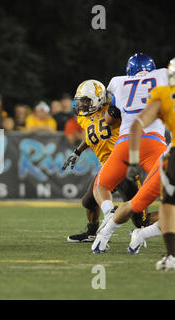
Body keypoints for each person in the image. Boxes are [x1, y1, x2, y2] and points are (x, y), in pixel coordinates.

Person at [95, 59, 175, 269]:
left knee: (107, 188)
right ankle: (135, 233)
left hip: (129, 143)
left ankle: (107, 227)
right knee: (158, 205)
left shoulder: (118, 82)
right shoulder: (163, 84)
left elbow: (117, 115)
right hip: (161, 150)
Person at [62, 80, 148, 243]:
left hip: (124, 166)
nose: (82, 104)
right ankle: (92, 232)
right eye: (80, 100)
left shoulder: (114, 110)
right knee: (88, 201)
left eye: (86, 100)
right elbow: (91, 136)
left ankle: (168, 219)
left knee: (141, 222)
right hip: (107, 167)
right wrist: (77, 151)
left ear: (98, 99)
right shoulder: (83, 118)